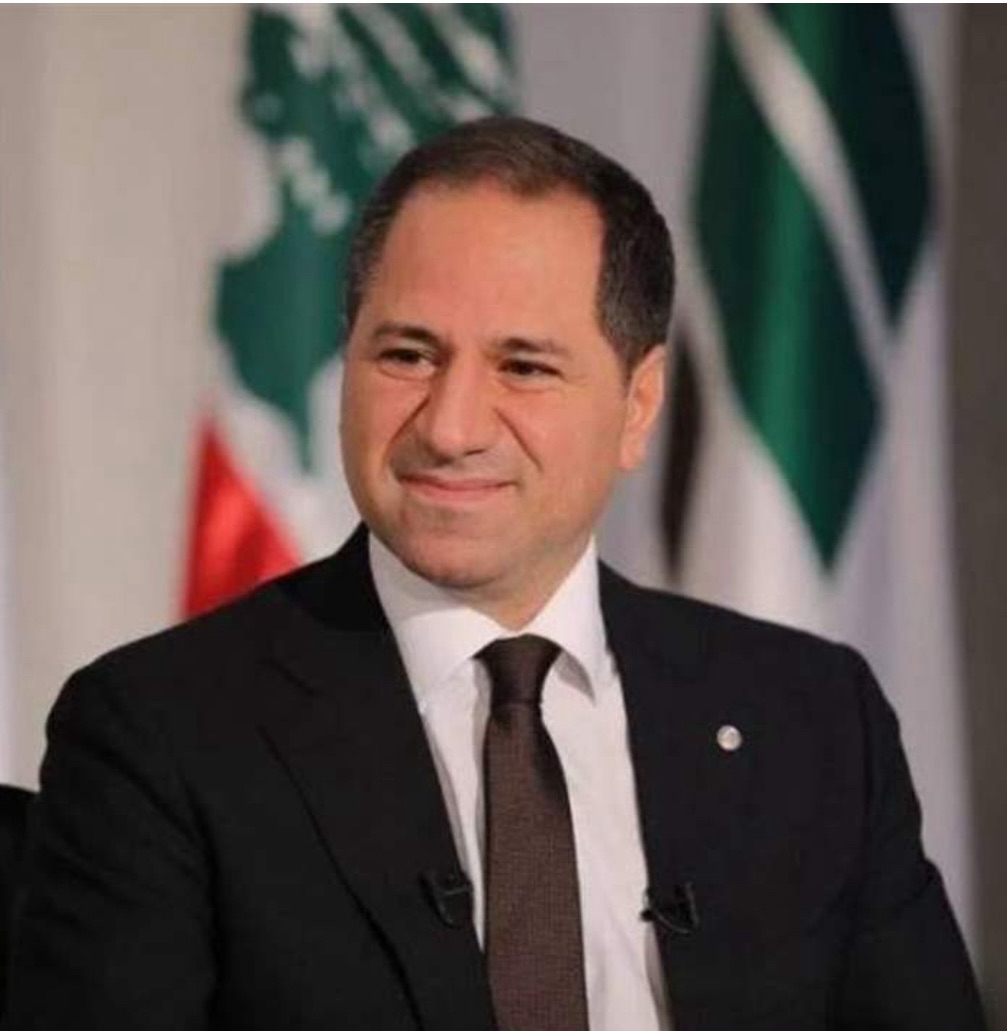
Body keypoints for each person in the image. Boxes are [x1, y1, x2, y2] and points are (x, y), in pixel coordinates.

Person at [6, 117, 985, 1031]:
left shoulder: (814, 719)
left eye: (523, 366)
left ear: (637, 405)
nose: (450, 426)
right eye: (406, 353)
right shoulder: (160, 732)